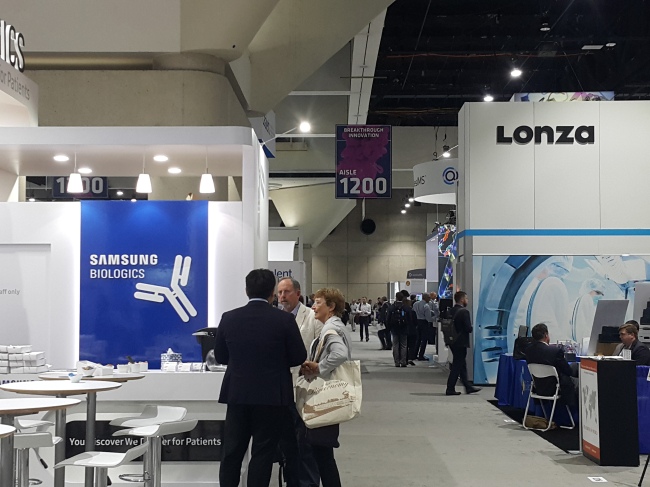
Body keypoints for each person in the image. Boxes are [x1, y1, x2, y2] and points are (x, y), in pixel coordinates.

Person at [214, 269, 307, 487]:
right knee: (263, 453)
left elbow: (220, 357)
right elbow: (298, 357)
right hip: (272, 397)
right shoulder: (283, 320)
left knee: (232, 452)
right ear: (273, 292)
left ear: (246, 290)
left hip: (237, 395)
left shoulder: (229, 318)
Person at [300, 287, 350, 487]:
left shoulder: (331, 329)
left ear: (331, 307)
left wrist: (319, 368)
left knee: (321, 453)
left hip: (325, 396)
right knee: (323, 453)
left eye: (318, 302)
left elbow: (340, 354)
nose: (313, 306)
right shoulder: (334, 327)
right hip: (330, 395)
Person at [277, 276, 321, 487]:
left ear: (298, 293)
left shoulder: (312, 316)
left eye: (286, 292)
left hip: (307, 388)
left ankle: (309, 483)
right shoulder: (275, 318)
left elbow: (322, 349)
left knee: (307, 444)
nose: (282, 297)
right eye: (279, 293)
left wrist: (314, 366)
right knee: (287, 442)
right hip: (282, 391)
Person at [524, 323, 578, 407]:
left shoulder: (528, 351)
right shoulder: (555, 351)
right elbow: (568, 371)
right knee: (576, 376)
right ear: (546, 335)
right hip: (554, 388)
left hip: (538, 387)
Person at [445, 291, 481, 396]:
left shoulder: (450, 311)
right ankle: (450, 388)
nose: (467, 300)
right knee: (457, 365)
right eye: (466, 298)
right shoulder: (464, 312)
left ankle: (467, 386)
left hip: (452, 341)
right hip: (461, 342)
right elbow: (468, 328)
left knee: (461, 364)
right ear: (462, 299)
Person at [387, 293, 410, 367]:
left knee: (395, 345)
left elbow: (388, 318)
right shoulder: (406, 307)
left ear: (396, 297)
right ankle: (403, 361)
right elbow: (410, 319)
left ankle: (396, 362)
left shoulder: (392, 307)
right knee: (404, 345)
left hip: (394, 328)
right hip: (404, 328)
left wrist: (389, 327)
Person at [413, 293, 432, 361]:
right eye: (429, 297)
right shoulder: (426, 306)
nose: (430, 299)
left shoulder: (415, 304)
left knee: (418, 339)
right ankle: (421, 355)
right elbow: (428, 317)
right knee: (424, 340)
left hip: (416, 322)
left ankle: (414, 354)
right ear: (425, 298)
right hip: (424, 322)